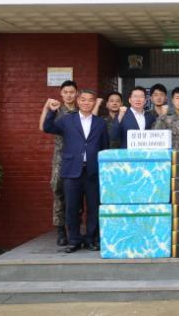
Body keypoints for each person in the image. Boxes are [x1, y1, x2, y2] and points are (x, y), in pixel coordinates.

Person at [43, 89, 109, 253]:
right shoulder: (67, 120)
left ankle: (91, 239)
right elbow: (47, 127)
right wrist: (51, 111)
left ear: (94, 103)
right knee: (72, 208)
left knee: (94, 207)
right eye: (83, 99)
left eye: (90, 100)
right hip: (72, 170)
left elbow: (104, 146)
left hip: (93, 171)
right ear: (78, 101)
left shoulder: (100, 122)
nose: (86, 103)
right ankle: (74, 240)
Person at [39, 80, 78, 247]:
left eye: (72, 92)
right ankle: (61, 231)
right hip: (60, 158)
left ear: (76, 93)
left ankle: (74, 231)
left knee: (75, 195)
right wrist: (47, 108)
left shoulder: (81, 110)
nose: (69, 95)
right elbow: (43, 127)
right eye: (65, 92)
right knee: (58, 191)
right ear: (61, 94)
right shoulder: (57, 109)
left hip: (76, 158)